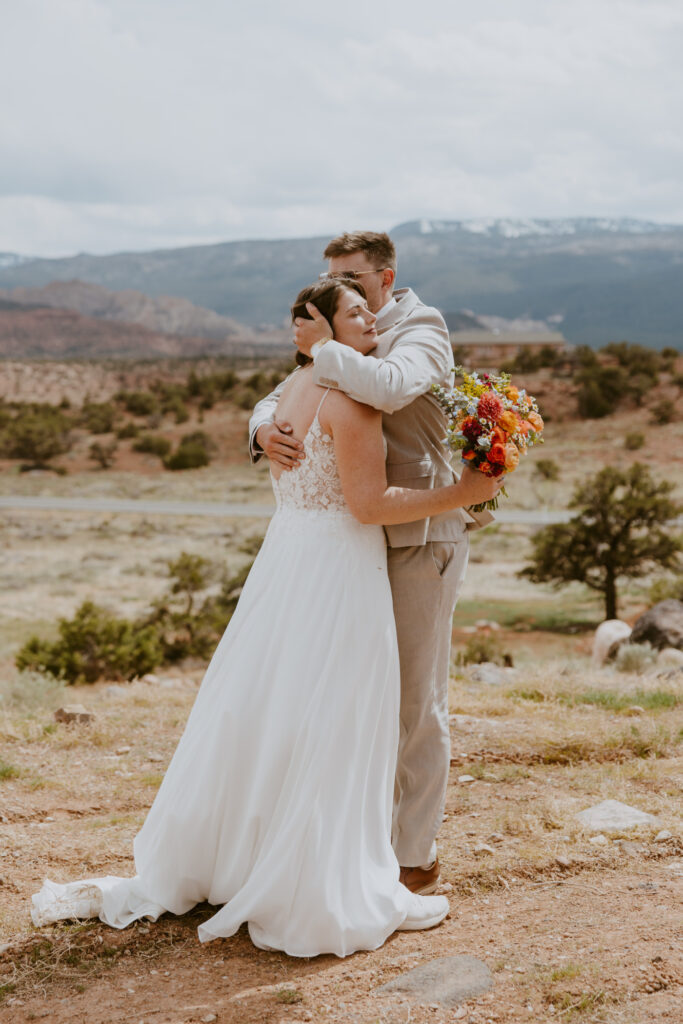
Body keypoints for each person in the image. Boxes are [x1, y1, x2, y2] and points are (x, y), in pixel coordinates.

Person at [31, 279, 500, 959]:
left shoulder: (292, 390)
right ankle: (311, 879)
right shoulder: (351, 399)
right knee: (335, 716)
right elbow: (368, 505)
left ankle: (246, 857)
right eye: (357, 312)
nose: (373, 317)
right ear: (324, 329)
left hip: (287, 564)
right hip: (340, 570)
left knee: (271, 706)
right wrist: (463, 491)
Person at [250, 231, 492, 895]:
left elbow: (387, 389)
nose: (343, 291)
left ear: (387, 277)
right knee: (354, 696)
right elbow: (281, 393)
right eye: (333, 278)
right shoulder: (340, 338)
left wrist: (321, 347)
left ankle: (412, 853)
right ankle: (352, 839)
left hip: (417, 534)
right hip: (350, 549)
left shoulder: (422, 328)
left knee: (414, 702)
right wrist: (262, 426)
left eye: (354, 278)